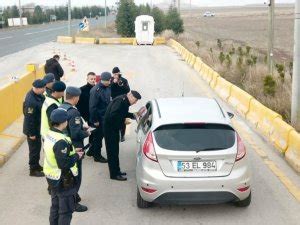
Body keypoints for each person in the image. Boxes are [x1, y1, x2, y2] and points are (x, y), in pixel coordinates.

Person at [43, 109, 84, 225]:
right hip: (63, 180)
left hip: (52, 177)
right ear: (63, 122)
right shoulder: (61, 141)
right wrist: (76, 156)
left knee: (55, 207)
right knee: (65, 211)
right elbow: (64, 164)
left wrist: (72, 150)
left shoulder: (50, 134)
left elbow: (55, 152)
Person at [59, 87, 90, 212]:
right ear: (75, 97)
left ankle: (73, 197)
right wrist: (86, 132)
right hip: (75, 147)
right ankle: (73, 203)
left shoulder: (60, 107)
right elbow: (76, 133)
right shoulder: (74, 112)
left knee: (67, 175)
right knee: (76, 176)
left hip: (63, 146)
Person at [104, 90, 141, 181]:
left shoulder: (124, 100)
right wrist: (123, 121)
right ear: (130, 96)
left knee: (115, 151)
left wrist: (133, 115)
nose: (135, 102)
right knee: (112, 152)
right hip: (110, 129)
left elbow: (122, 113)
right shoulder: (121, 101)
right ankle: (114, 174)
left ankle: (117, 171)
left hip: (113, 129)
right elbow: (113, 115)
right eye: (135, 100)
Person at [23, 79, 46, 177]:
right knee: (34, 150)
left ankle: (37, 165)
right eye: (42, 88)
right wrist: (31, 134)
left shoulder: (37, 95)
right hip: (32, 130)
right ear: (36, 88)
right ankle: (33, 170)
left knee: (37, 148)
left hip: (38, 127)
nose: (44, 90)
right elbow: (29, 119)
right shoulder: (31, 101)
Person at [88, 72, 112, 163]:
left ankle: (91, 151)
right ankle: (97, 156)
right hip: (99, 119)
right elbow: (92, 107)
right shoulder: (96, 90)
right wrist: (95, 120)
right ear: (104, 80)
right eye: (109, 80)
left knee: (98, 137)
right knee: (98, 138)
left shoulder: (107, 88)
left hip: (105, 117)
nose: (110, 82)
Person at [111, 67, 130, 142]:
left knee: (123, 119)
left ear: (119, 73)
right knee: (114, 118)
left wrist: (122, 85)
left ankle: (122, 135)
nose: (115, 75)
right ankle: (115, 134)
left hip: (123, 102)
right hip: (114, 102)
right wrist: (113, 83)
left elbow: (128, 90)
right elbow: (110, 90)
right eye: (114, 74)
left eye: (116, 74)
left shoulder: (124, 80)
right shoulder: (111, 80)